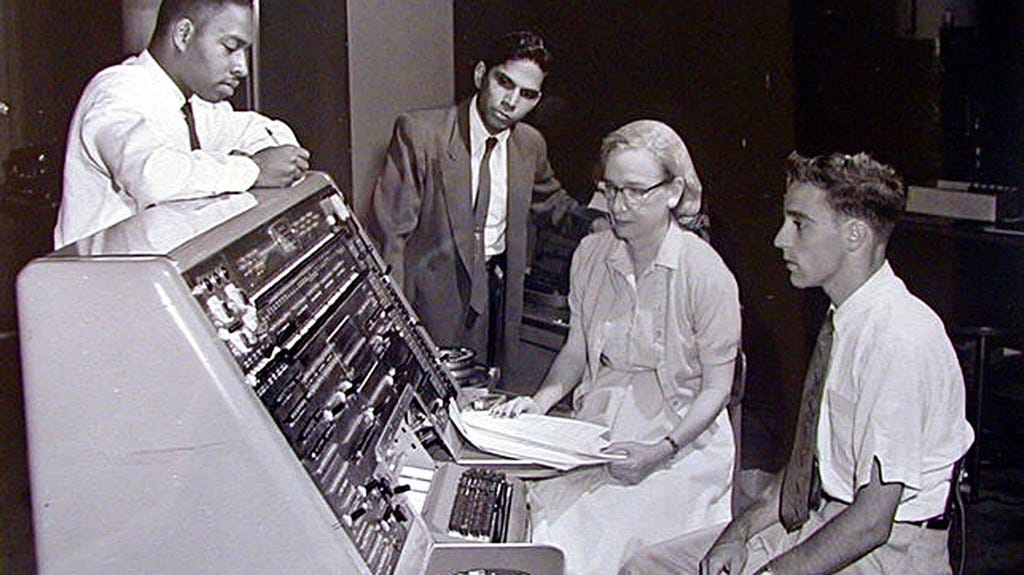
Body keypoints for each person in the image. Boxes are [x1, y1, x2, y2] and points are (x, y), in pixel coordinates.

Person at [620, 152, 975, 575]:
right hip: (828, 517)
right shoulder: (846, 317)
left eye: (799, 224)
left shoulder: (898, 339)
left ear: (856, 235)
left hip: (890, 551)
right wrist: (738, 534)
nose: (780, 239)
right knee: (650, 568)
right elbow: (810, 464)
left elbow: (873, 522)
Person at [491, 120, 741, 575]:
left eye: (634, 191)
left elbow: (716, 390)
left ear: (673, 192)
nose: (618, 206)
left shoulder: (706, 273)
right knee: (537, 523)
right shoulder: (590, 254)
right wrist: (540, 402)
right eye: (610, 189)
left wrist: (661, 450)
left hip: (681, 442)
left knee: (607, 539)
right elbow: (574, 352)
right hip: (602, 426)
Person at [371, 30, 576, 377]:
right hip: (433, 300)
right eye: (504, 83)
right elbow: (392, 239)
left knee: (488, 396)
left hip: (498, 301)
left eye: (527, 94)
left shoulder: (530, 145)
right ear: (481, 74)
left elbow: (553, 203)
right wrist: (398, 326)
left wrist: (603, 221)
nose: (511, 102)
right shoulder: (421, 133)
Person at [55, 0, 310, 248]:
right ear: (183, 34)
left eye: (245, 52)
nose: (241, 68)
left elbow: (267, 133)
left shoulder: (198, 104)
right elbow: (153, 176)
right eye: (230, 48)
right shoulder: (117, 93)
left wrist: (275, 160)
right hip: (104, 282)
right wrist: (252, 169)